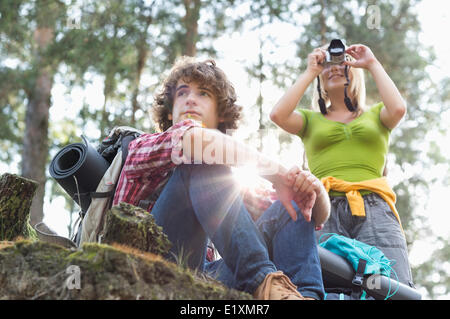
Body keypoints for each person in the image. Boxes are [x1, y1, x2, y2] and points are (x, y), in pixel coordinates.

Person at [113, 56, 330, 300]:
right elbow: (198, 142)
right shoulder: (143, 147)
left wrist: (312, 189)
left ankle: (303, 296)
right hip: (144, 269)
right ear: (170, 114)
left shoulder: (225, 182)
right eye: (182, 93)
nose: (191, 99)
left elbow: (307, 213)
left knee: (287, 206)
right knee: (198, 157)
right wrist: (278, 174)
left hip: (205, 275)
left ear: (221, 115)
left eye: (203, 93)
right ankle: (265, 283)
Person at [270, 41, 414, 288]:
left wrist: (371, 63)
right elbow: (278, 115)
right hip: (324, 208)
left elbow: (399, 108)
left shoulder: (377, 115)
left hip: (374, 206)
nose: (332, 68)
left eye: (339, 62)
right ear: (320, 80)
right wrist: (310, 71)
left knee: (391, 284)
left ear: (353, 70)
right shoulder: (310, 120)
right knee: (323, 282)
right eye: (326, 65)